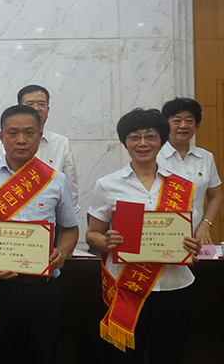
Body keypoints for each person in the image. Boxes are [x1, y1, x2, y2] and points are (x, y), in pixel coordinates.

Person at [0, 105, 79, 364]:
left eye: (29, 133)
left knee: (42, 354)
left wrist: (63, 252)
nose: (21, 140)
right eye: (13, 133)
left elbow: (70, 228)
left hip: (43, 286)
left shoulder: (56, 180)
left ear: (40, 135)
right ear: (1, 137)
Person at [86, 108, 201, 362]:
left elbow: (188, 237)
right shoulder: (107, 184)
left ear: (161, 140)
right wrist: (106, 241)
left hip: (174, 287)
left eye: (151, 136)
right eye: (134, 137)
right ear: (125, 142)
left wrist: (193, 247)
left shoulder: (183, 186)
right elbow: (92, 234)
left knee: (168, 356)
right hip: (126, 288)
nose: (143, 143)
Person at [0, 85, 81, 219]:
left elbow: (71, 191)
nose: (36, 108)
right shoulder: (2, 143)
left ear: (48, 110)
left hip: (49, 221)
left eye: (41, 104)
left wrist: (70, 223)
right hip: (10, 218)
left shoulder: (61, 143)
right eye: (30, 104)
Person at [158, 97, 222, 245]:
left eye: (189, 121)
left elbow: (216, 196)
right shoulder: (154, 156)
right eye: (177, 120)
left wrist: (206, 224)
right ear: (166, 125)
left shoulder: (206, 157)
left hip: (197, 238)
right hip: (161, 238)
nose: (183, 125)